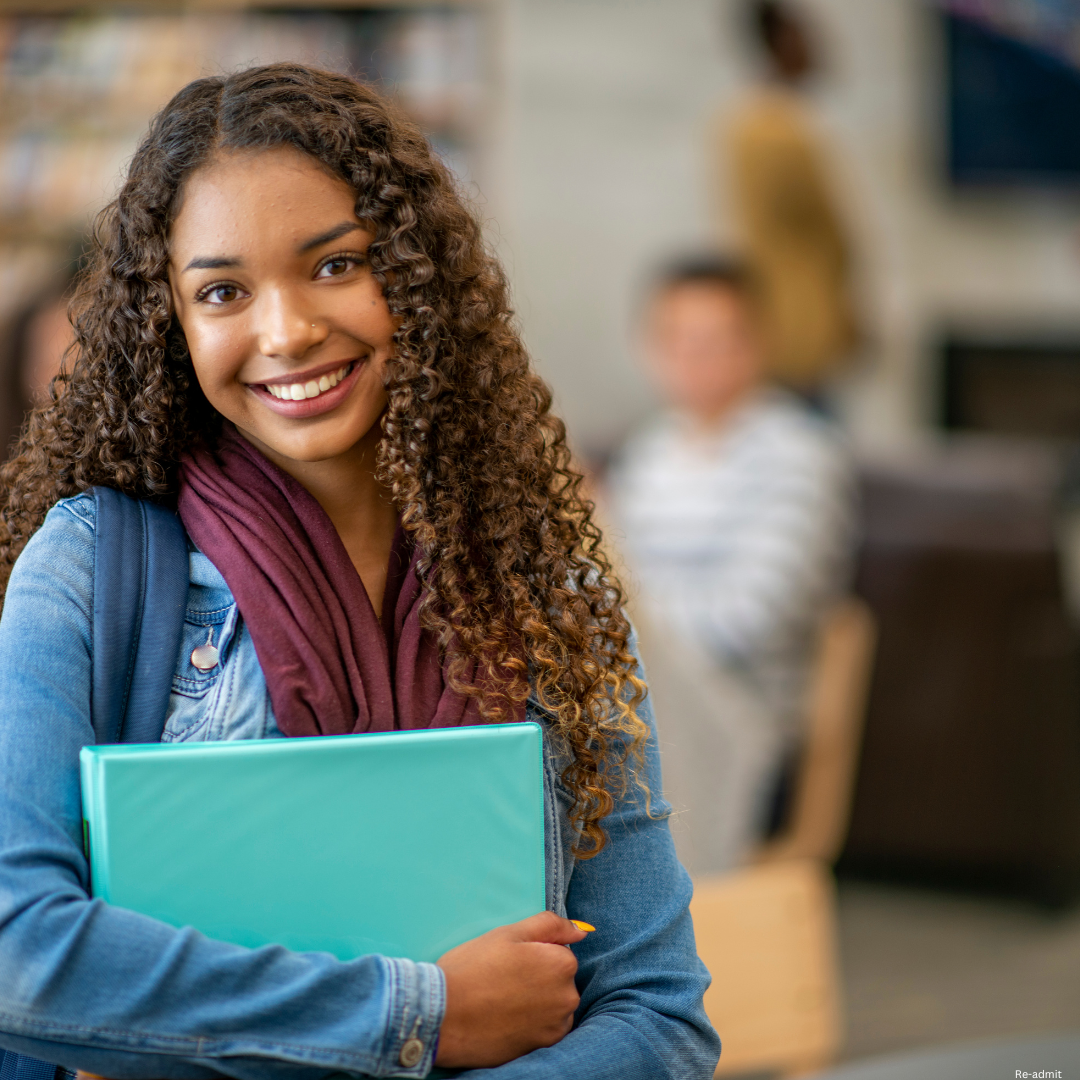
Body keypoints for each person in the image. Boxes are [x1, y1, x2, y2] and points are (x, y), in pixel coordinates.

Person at [0, 65, 719, 1080]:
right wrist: (419, 1016)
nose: (287, 330)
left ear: (416, 273)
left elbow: (654, 1014)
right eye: (223, 291)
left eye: (335, 266)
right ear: (172, 320)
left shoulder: (541, 582)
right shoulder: (92, 568)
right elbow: (18, 957)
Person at [607, 256, 854, 875]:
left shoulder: (798, 454)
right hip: (641, 689)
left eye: (715, 341)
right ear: (649, 348)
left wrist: (636, 635)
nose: (696, 358)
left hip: (739, 711)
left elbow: (751, 618)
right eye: (678, 340)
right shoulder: (649, 452)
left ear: (756, 345)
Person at [720, 0, 860, 392]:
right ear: (780, 43)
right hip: (797, 325)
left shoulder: (756, 123)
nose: (816, 47)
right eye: (803, 36)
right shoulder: (775, 131)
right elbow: (822, 233)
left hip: (789, 320)